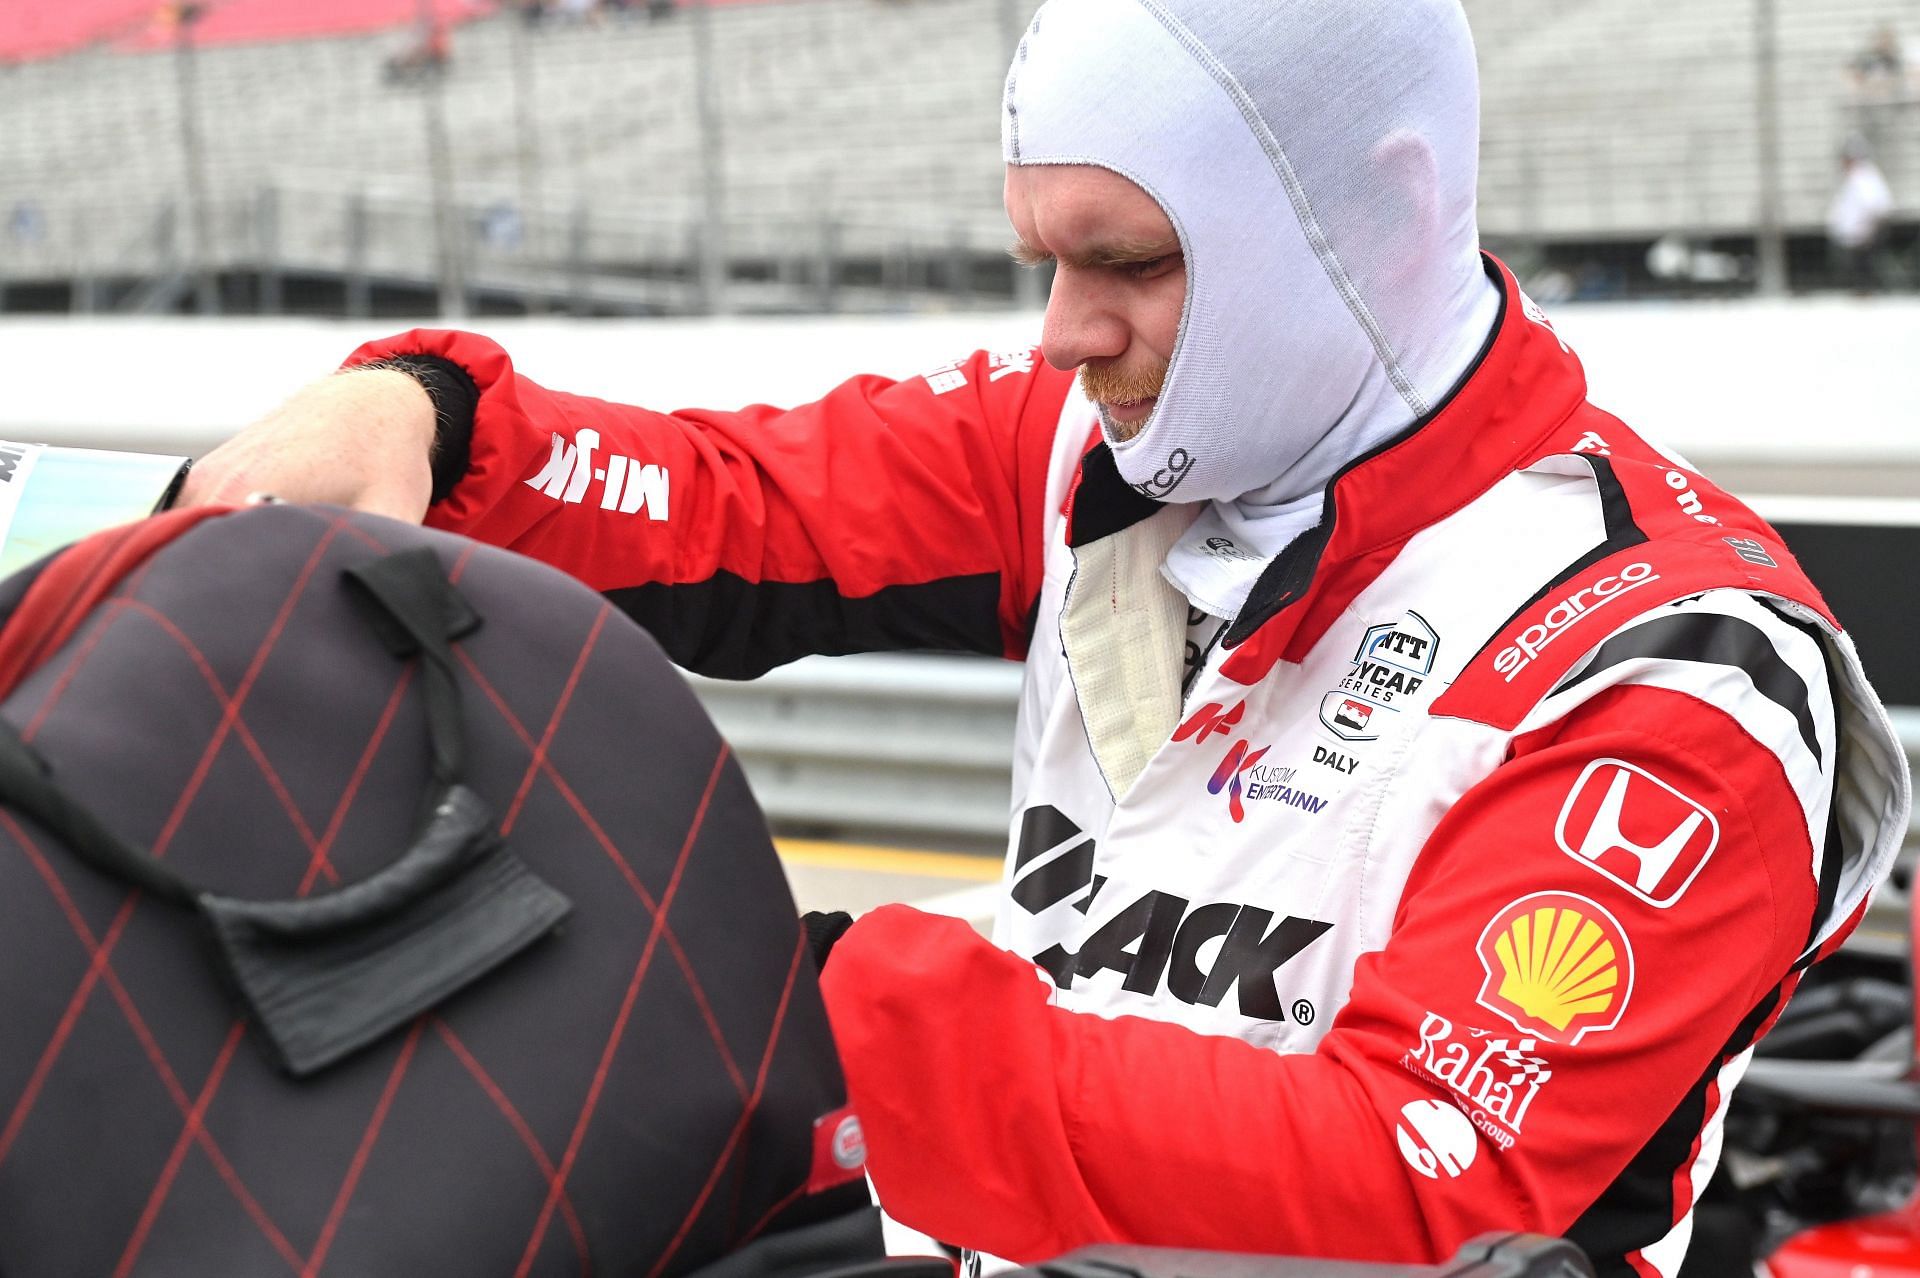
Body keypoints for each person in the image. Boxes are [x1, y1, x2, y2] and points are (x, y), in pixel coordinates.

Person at [179, 1, 1911, 1272]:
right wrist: (427, 417)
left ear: (1375, 216)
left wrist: (800, 999)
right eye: (1043, 256)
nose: (1068, 329)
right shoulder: (1099, 440)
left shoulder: (1673, 659)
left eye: (1133, 261)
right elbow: (739, 503)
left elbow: (1412, 1183)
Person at [1827, 140, 1896, 293]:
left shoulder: (1863, 177)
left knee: (1864, 265)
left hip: (1866, 231)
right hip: (1862, 231)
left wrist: (1866, 228)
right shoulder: (1859, 176)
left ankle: (1867, 292)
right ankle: (1863, 290)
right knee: (1860, 265)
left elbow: (1872, 205)